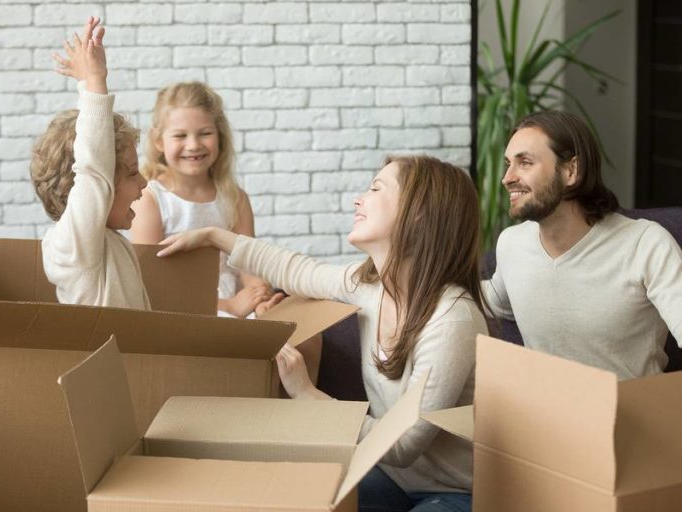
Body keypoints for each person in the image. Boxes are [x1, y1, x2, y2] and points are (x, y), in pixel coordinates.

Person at [158, 155, 488, 512]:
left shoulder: (452, 318)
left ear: (419, 212)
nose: (358, 199)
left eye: (376, 188)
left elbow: (404, 444)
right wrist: (215, 236)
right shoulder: (368, 287)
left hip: (457, 492)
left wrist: (306, 394)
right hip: (390, 478)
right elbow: (296, 269)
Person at [483, 110, 682, 379]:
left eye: (525, 162)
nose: (507, 177)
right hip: (544, 415)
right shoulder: (512, 244)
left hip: (629, 415)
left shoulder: (645, 245)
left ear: (571, 171)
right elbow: (486, 301)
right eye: (508, 163)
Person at [130, 81, 280, 318]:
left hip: (237, 302)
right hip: (180, 310)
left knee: (298, 334)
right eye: (180, 135)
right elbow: (151, 282)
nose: (193, 145)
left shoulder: (235, 198)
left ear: (219, 136)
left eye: (205, 133)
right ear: (159, 141)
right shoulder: (150, 199)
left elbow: (248, 264)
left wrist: (260, 296)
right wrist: (227, 307)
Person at [30, 16, 150, 310]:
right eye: (133, 173)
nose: (144, 182)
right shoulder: (74, 246)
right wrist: (94, 82)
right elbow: (93, 169)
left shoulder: (111, 243)